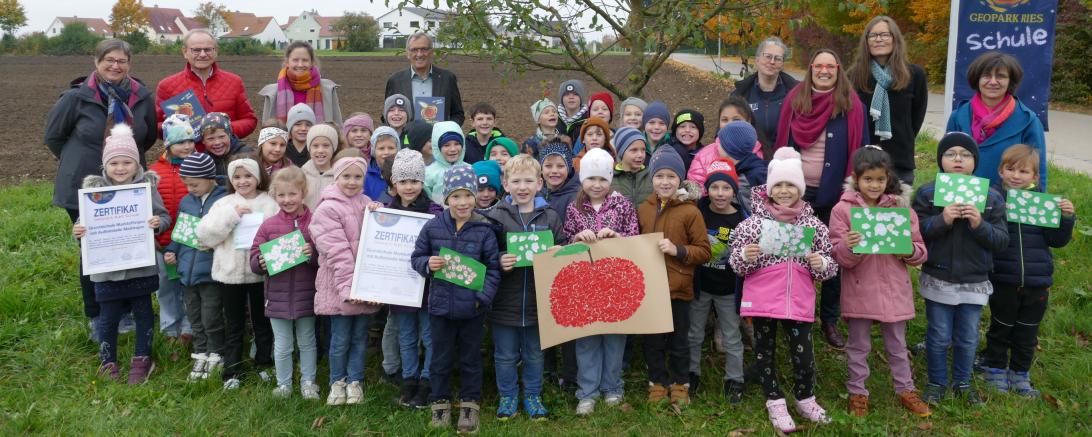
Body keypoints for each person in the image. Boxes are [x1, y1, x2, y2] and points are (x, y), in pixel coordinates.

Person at [46, 39, 158, 336]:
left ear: (129, 64)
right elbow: (54, 137)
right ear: (97, 61)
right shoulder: (76, 97)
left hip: (127, 186)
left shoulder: (142, 96)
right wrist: (80, 161)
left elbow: (147, 136)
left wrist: (124, 164)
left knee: (127, 246)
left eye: (121, 61)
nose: (115, 66)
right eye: (109, 59)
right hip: (83, 187)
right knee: (95, 249)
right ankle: (97, 313)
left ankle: (127, 311)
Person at [728, 148, 838, 433]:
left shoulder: (813, 226)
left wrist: (820, 262)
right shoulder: (752, 226)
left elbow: (830, 268)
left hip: (798, 300)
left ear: (800, 188)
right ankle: (774, 400)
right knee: (764, 350)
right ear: (769, 188)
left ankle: (805, 397)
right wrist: (746, 257)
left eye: (791, 185)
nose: (785, 190)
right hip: (764, 300)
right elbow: (736, 265)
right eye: (779, 185)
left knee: (803, 353)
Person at [828, 145, 932, 418]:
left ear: (888, 179)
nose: (874, 185)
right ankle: (857, 391)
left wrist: (907, 250)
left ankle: (905, 389)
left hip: (893, 289)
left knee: (897, 344)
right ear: (856, 178)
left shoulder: (901, 210)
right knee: (858, 345)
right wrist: (849, 246)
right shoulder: (843, 210)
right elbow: (838, 255)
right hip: (860, 287)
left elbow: (921, 251)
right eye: (868, 179)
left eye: (880, 179)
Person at [775, 48, 866, 349]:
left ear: (838, 69)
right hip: (798, 193)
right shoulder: (795, 100)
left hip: (835, 193)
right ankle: (797, 313)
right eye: (819, 66)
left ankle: (829, 318)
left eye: (831, 66)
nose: (824, 71)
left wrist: (853, 189)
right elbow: (782, 146)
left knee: (833, 256)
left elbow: (859, 149)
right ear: (811, 68)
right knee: (795, 252)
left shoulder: (851, 103)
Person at [912, 132, 1009, 406]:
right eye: (950, 154)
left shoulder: (991, 197)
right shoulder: (928, 193)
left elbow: (1001, 240)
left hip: (974, 279)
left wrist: (980, 225)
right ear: (940, 160)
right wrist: (941, 219)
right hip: (939, 276)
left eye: (965, 155)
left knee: (968, 337)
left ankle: (963, 382)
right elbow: (915, 232)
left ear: (975, 162)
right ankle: (936, 382)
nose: (958, 159)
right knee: (939, 334)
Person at [72, 124, 171, 384]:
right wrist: (79, 231)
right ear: (106, 165)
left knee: (143, 311)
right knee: (108, 315)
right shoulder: (94, 193)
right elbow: (82, 226)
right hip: (106, 270)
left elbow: (164, 216)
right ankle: (108, 361)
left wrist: (157, 223)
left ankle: (142, 359)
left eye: (127, 162)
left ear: (136, 163)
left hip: (141, 265)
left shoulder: (146, 188)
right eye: (114, 163)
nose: (120, 168)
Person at [411, 164, 501, 434]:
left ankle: (470, 405)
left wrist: (481, 299)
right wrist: (428, 263)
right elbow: (415, 258)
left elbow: (493, 268)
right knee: (439, 358)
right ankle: (440, 402)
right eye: (456, 196)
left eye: (468, 196)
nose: (462, 202)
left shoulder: (484, 229)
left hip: (472, 310)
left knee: (471, 359)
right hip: (439, 308)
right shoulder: (433, 227)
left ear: (475, 197)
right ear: (446, 198)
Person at [980, 145, 1076, 397]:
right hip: (1003, 277)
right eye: (1010, 169)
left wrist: (1066, 218)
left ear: (1035, 177)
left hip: (1037, 279)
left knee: (1027, 330)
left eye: (1024, 171)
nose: (1016, 176)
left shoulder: (1043, 204)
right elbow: (985, 235)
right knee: (1000, 325)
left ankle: (1020, 373)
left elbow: (1056, 240)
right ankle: (994, 367)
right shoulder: (992, 200)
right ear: (1000, 171)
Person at [485, 154, 564, 421]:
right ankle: (507, 397)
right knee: (505, 355)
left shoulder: (550, 216)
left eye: (528, 181)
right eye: (515, 181)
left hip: (538, 303)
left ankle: (532, 394)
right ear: (505, 185)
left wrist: (558, 252)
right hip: (504, 302)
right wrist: (498, 260)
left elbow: (563, 247)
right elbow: (484, 254)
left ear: (539, 183)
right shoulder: (495, 217)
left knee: (534, 354)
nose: (522, 187)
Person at [564, 148, 640, 416]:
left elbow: (634, 239)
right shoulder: (574, 208)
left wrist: (616, 236)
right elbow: (563, 244)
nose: (596, 185)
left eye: (602, 180)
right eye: (591, 179)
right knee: (586, 338)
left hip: (615, 284)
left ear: (611, 180)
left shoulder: (624, 205)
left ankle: (613, 387)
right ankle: (587, 392)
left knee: (614, 338)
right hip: (584, 285)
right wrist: (576, 238)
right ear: (582, 179)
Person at [637, 146, 712, 408]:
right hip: (650, 289)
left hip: (679, 288)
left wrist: (677, 250)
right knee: (653, 341)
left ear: (679, 179)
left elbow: (704, 251)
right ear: (652, 179)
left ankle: (681, 383)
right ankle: (657, 382)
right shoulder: (643, 209)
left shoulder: (690, 211)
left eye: (671, 176)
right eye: (659, 176)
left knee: (680, 340)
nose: (665, 182)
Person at [195, 157, 278, 390]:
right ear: (231, 180)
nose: (243, 181)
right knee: (234, 323)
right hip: (229, 274)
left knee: (263, 321)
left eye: (248, 176)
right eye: (237, 177)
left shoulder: (269, 203)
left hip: (261, 273)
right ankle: (232, 369)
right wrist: (232, 216)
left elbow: (278, 233)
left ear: (258, 177)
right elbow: (204, 236)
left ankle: (264, 363)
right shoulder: (224, 204)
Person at [309, 157, 383, 405]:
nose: (352, 182)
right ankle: (337, 382)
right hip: (339, 287)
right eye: (346, 176)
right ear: (336, 177)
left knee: (360, 338)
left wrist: (380, 214)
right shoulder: (327, 209)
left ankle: (355, 382)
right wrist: (349, 288)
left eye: (358, 176)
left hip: (365, 287)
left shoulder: (367, 204)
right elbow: (336, 252)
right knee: (340, 340)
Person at [249, 167, 321, 400]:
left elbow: (325, 259)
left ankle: (309, 382)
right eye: (281, 195)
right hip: (277, 297)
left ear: (304, 192)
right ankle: (284, 385)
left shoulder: (315, 224)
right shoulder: (268, 226)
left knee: (307, 341)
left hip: (307, 295)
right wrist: (259, 262)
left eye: (292, 194)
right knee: (282, 344)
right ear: (274, 196)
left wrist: (313, 254)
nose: (287, 200)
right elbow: (253, 258)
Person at [386, 149, 443, 408]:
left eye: (414, 181)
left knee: (429, 336)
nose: (409, 187)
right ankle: (409, 379)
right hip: (400, 288)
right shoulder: (385, 213)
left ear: (422, 182)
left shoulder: (436, 212)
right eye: (403, 181)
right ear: (394, 184)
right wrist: (375, 212)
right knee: (406, 336)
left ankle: (427, 380)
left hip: (429, 287)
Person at [687, 158, 747, 403]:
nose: (720, 194)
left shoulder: (742, 219)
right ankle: (691, 373)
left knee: (732, 335)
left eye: (726, 188)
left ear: (734, 190)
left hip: (728, 289)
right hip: (700, 286)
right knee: (693, 333)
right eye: (714, 187)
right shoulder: (698, 212)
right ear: (707, 189)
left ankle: (735, 379)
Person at [165, 152, 228, 381]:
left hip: (210, 272)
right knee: (195, 316)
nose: (190, 188)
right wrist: (172, 250)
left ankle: (217, 353)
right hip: (186, 272)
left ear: (210, 178)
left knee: (211, 316)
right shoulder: (186, 202)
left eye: (195, 184)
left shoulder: (222, 201)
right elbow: (180, 231)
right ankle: (200, 353)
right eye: (187, 184)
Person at [947, 52, 1047, 188]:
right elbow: (946, 161)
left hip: (1007, 202)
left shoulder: (1028, 120)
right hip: (964, 198)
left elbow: (1038, 169)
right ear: (977, 79)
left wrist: (1037, 204)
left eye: (1001, 76)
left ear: (1010, 81)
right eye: (986, 76)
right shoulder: (958, 116)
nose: (993, 81)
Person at [848, 16, 929, 185]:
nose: (879, 39)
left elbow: (916, 118)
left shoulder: (914, 75)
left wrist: (903, 136)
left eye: (884, 34)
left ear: (895, 39)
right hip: (864, 161)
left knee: (897, 211)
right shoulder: (854, 76)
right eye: (873, 35)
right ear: (866, 41)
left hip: (900, 160)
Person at [156, 29, 257, 150]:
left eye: (208, 49)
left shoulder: (234, 82)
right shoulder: (167, 86)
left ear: (216, 51)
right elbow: (155, 126)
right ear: (185, 52)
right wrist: (173, 128)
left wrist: (222, 129)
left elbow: (249, 120)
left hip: (226, 156)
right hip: (188, 158)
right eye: (196, 50)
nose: (203, 54)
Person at [536, 140, 581, 389]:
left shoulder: (576, 195)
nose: (554, 170)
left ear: (569, 168)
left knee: (568, 320)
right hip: (541, 266)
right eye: (548, 165)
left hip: (568, 264)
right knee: (545, 318)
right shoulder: (536, 193)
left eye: (560, 165)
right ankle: (547, 369)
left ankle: (571, 375)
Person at [150, 114, 196, 354]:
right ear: (168, 144)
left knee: (188, 285)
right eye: (180, 142)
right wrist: (157, 236)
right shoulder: (154, 173)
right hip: (163, 241)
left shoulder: (200, 165)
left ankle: (189, 327)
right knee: (166, 286)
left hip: (190, 243)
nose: (187, 146)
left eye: (190, 141)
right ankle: (170, 328)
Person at [731, 36, 799, 146]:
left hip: (784, 159)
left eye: (777, 58)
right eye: (768, 56)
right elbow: (725, 131)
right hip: (750, 158)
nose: (772, 62)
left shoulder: (796, 94)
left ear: (782, 64)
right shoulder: (740, 95)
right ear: (757, 60)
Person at [385, 32, 465, 125]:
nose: (419, 54)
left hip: (438, 138)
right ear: (408, 53)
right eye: (414, 50)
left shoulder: (448, 79)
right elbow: (386, 115)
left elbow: (458, 114)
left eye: (424, 49)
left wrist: (446, 132)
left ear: (431, 52)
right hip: (406, 138)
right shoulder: (395, 81)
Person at [259, 41, 343, 126]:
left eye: (305, 60)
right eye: (295, 60)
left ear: (312, 63)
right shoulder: (273, 93)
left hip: (319, 138)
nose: (300, 64)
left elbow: (338, 127)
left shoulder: (327, 90)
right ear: (287, 62)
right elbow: (267, 132)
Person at [689, 121, 765, 210]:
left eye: (720, 143)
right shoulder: (754, 166)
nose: (716, 146)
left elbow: (750, 212)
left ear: (730, 148)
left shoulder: (745, 180)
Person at [424, 121, 468, 205]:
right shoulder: (429, 173)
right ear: (438, 148)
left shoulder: (470, 169)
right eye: (446, 145)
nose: (453, 149)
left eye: (457, 144)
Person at [302, 124, 343, 210]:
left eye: (326, 145)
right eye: (315, 146)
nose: (320, 150)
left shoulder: (341, 175)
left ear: (333, 148)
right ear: (309, 148)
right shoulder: (301, 175)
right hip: (306, 222)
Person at [200, 113, 253, 180]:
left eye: (221, 137)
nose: (217, 142)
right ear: (203, 141)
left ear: (230, 135)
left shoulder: (246, 154)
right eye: (211, 138)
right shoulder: (203, 162)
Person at [610, 127, 652, 209]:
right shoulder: (610, 179)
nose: (640, 155)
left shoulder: (652, 175)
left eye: (643, 150)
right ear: (621, 152)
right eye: (634, 150)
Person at [368, 126, 401, 201]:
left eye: (391, 148)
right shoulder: (365, 175)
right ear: (374, 150)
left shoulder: (403, 173)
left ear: (397, 149)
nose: (386, 152)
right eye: (381, 148)